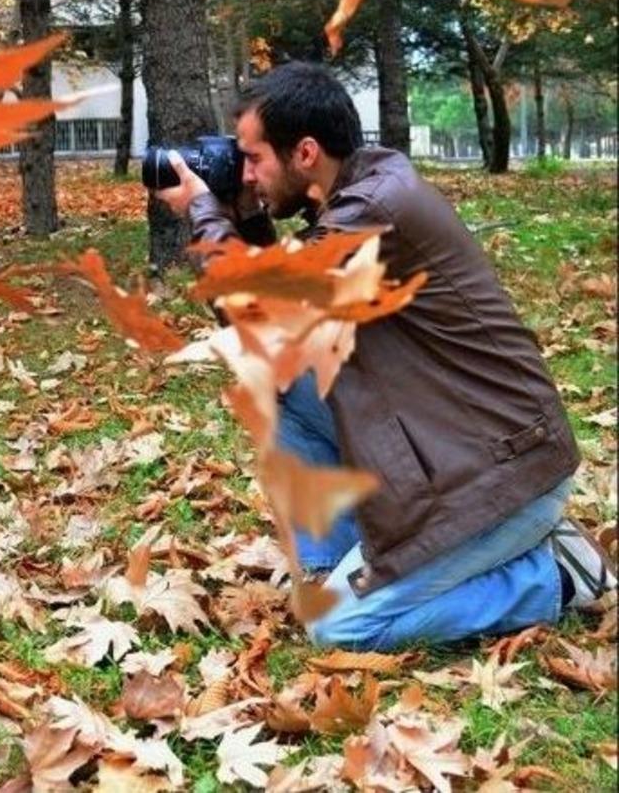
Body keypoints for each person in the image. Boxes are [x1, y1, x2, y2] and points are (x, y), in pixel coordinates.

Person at [156, 61, 615, 650]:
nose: (244, 174)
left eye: (253, 159)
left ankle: (554, 574)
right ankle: (332, 565)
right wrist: (244, 215)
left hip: (507, 475)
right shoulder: (357, 196)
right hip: (457, 447)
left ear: (305, 153)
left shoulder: (377, 209)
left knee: (336, 627)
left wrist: (204, 211)